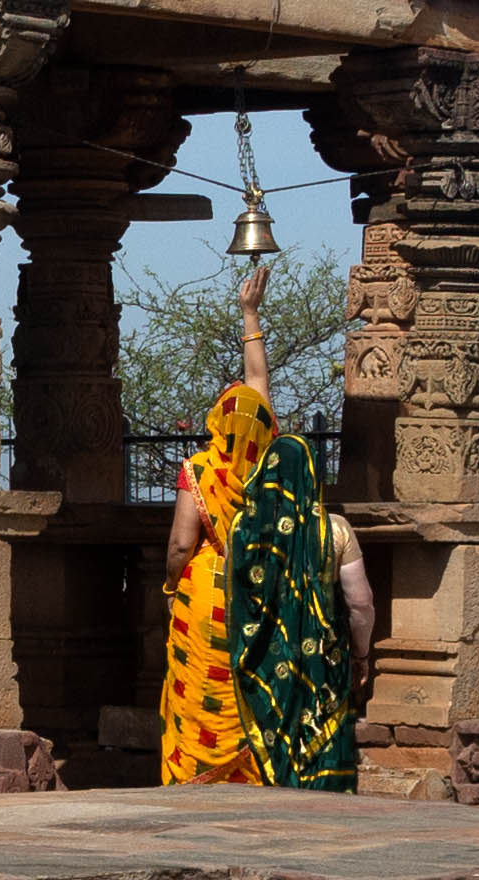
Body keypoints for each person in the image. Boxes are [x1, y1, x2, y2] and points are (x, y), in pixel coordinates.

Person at [158, 253, 378, 792]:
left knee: (203, 700)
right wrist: (250, 316)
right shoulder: (272, 469)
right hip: (267, 591)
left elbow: (181, 546)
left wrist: (170, 584)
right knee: (257, 687)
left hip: (212, 594)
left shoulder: (202, 470)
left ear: (215, 422)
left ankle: (195, 783)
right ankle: (258, 783)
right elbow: (258, 379)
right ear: (266, 425)